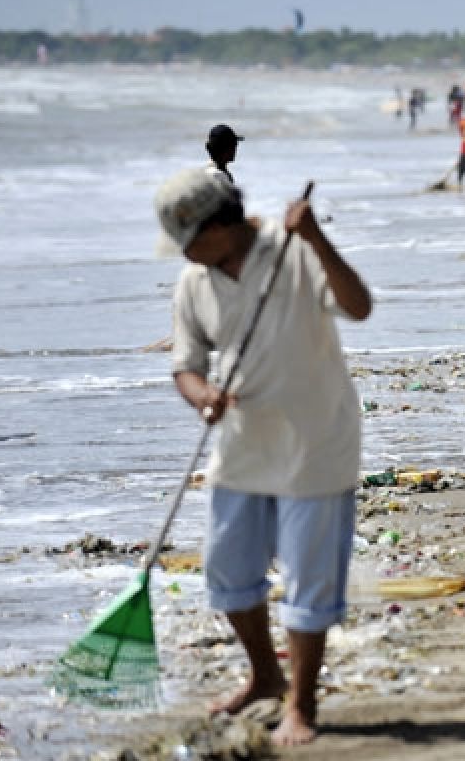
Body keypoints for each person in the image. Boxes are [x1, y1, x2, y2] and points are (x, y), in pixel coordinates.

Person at [157, 168, 372, 746]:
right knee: (228, 567)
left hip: (316, 438)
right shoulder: (193, 281)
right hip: (244, 442)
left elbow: (359, 305)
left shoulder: (293, 251)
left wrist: (318, 240)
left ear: (223, 224)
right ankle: (264, 676)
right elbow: (186, 363)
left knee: (309, 575)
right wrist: (203, 397)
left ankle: (301, 704)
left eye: (190, 238)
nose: (185, 252)